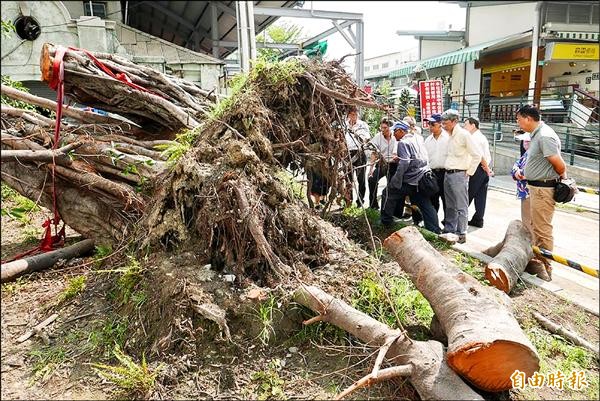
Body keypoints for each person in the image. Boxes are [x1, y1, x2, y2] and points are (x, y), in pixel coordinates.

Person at [516, 104, 567, 252]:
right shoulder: (537, 134)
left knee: (542, 229)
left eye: (519, 120)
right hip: (536, 187)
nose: (518, 123)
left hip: (543, 189)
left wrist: (558, 179)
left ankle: (545, 267)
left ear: (528, 118)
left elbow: (560, 165)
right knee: (536, 226)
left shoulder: (545, 136)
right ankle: (539, 261)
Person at [380, 121, 441, 233]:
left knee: (387, 193)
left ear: (401, 131)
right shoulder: (418, 138)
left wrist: (396, 180)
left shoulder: (403, 143)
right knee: (425, 204)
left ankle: (386, 222)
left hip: (411, 180)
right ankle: (434, 230)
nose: (393, 134)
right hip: (422, 178)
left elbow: (405, 162)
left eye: (395, 131)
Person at [439, 109, 482, 244]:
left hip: (459, 174)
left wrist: (469, 173)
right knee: (450, 204)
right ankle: (449, 229)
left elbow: (477, 155)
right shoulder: (448, 136)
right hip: (448, 173)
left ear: (454, 121)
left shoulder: (464, 135)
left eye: (445, 123)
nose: (443, 126)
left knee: (461, 205)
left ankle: (461, 232)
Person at [463, 117, 494, 228]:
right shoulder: (481, 136)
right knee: (481, 196)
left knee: (467, 195)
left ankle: (459, 218)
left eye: (466, 124)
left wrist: (487, 168)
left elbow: (479, 156)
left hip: (478, 169)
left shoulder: (474, 138)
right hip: (482, 169)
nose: (464, 127)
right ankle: (478, 219)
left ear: (473, 125)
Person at [367, 118, 398, 210]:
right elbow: (373, 152)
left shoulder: (396, 137)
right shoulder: (378, 136)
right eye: (382, 128)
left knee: (391, 186)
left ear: (391, 128)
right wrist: (371, 169)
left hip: (393, 165)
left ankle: (390, 208)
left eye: (385, 128)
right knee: (372, 180)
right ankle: (373, 205)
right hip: (381, 164)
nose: (383, 130)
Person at [423, 113, 449, 218]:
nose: (430, 127)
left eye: (433, 124)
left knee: (446, 200)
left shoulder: (448, 138)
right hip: (432, 174)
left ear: (440, 124)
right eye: (429, 124)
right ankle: (433, 224)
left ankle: (448, 224)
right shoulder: (427, 140)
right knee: (433, 200)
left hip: (445, 174)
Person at [345, 107, 371, 206]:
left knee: (361, 179)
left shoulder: (362, 125)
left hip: (359, 152)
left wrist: (358, 136)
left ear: (358, 115)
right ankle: (348, 200)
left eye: (355, 114)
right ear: (348, 115)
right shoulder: (345, 125)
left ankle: (360, 201)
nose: (353, 116)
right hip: (347, 153)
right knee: (348, 179)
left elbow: (366, 138)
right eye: (351, 114)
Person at [511, 132, 532, 233]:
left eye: (529, 141)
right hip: (525, 192)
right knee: (526, 220)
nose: (526, 143)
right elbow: (516, 166)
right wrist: (515, 171)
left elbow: (527, 172)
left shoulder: (533, 154)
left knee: (528, 222)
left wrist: (518, 173)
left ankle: (532, 244)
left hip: (530, 192)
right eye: (525, 141)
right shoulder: (526, 154)